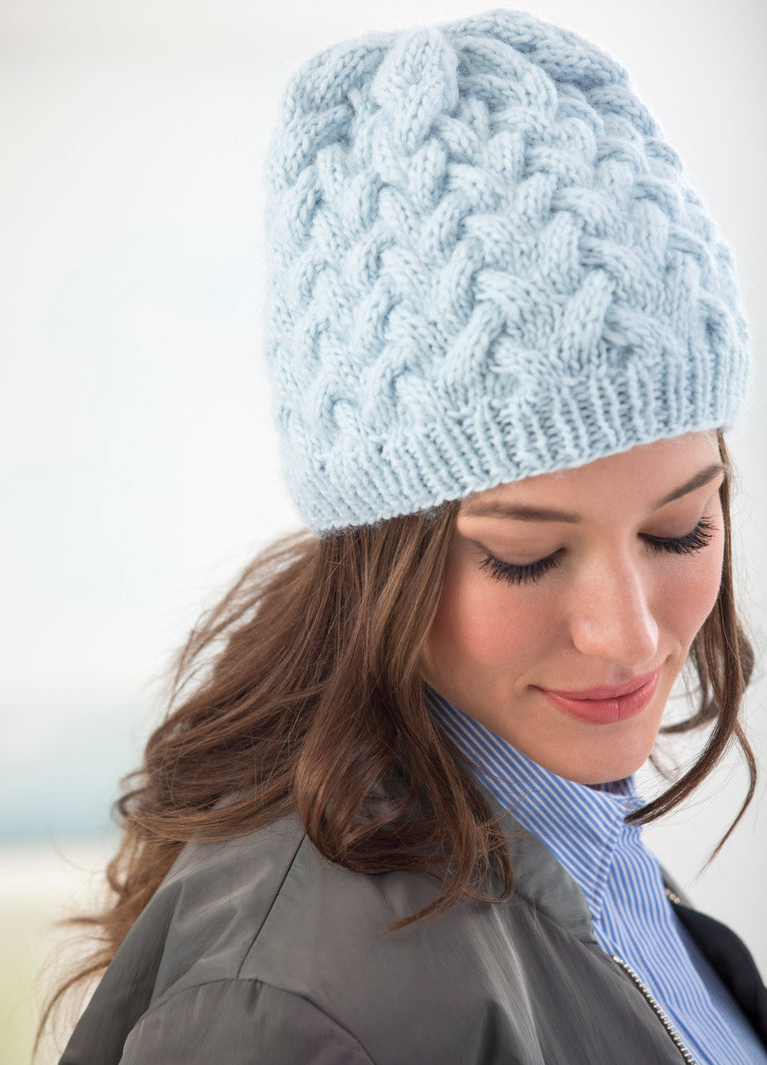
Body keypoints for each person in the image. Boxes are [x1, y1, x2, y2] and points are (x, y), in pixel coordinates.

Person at [45, 8, 766, 1064]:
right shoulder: (296, 1010)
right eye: (524, 555)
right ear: (383, 556)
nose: (628, 636)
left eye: (679, 529)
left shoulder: (566, 828)